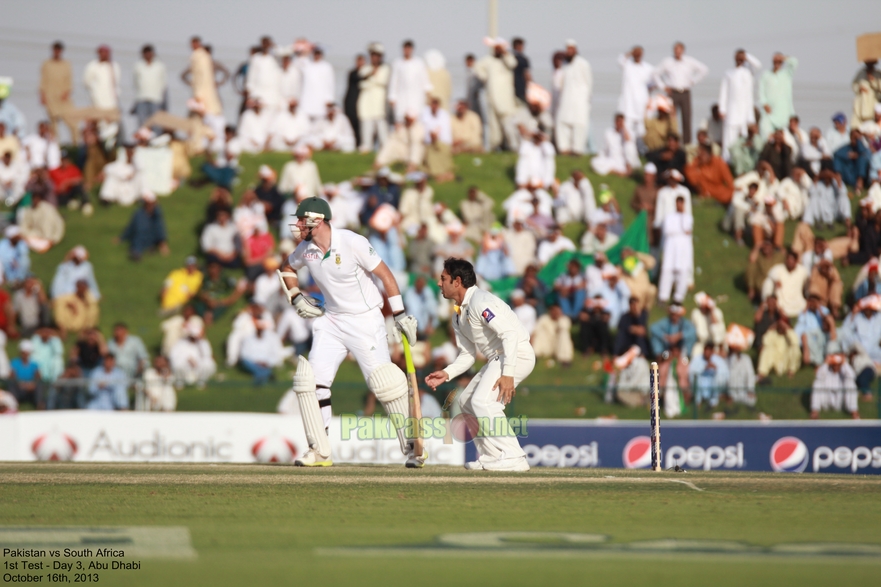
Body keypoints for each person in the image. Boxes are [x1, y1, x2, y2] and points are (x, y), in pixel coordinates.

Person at [277, 196, 422, 468]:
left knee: (385, 384)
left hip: (366, 320)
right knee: (312, 383)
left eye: (301, 219)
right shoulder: (305, 250)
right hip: (331, 320)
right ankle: (319, 449)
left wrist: (400, 314)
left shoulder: (352, 242)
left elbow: (386, 275)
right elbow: (287, 268)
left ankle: (413, 446)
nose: (297, 224)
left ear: (317, 220)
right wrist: (295, 296)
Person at [426, 258, 535, 471]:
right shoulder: (458, 316)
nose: (439, 283)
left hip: (516, 353)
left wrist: (508, 374)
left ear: (457, 281)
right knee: (466, 402)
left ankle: (515, 457)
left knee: (482, 402)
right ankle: (492, 456)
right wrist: (447, 374)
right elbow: (468, 355)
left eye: (443, 278)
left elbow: (510, 334)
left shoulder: (480, 301)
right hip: (498, 358)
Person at [655, 42, 708, 144]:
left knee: (686, 119)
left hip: (685, 92)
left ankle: (687, 144)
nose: (677, 52)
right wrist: (663, 86)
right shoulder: (667, 62)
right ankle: (670, 142)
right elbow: (655, 73)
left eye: (679, 50)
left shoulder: (689, 61)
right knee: (670, 119)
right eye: (676, 50)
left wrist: (693, 81)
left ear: (683, 51)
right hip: (672, 93)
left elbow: (704, 70)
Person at [474, 38, 518, 151]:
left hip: (505, 100)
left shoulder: (507, 59)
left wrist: (504, 52)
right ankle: (494, 147)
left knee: (508, 124)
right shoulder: (487, 60)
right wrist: (485, 78)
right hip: (492, 99)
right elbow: (477, 69)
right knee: (493, 127)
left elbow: (513, 64)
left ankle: (513, 146)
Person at [718, 49, 761, 159]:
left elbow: (758, 65)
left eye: (741, 57)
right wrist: (722, 109)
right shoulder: (729, 73)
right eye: (738, 57)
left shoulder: (748, 71)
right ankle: (727, 161)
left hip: (746, 113)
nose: (739, 59)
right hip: (732, 111)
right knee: (729, 140)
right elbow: (724, 92)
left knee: (745, 139)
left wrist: (746, 57)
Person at [555, 39, 592, 155]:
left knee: (579, 125)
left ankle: (577, 150)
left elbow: (589, 83)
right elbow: (558, 84)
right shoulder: (564, 65)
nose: (569, 51)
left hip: (580, 101)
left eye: (571, 49)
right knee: (562, 123)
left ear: (575, 50)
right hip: (566, 99)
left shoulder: (583, 63)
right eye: (567, 49)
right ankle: (564, 149)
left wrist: (587, 100)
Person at [83, 44, 121, 143]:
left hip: (111, 103)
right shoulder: (92, 66)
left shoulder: (114, 66)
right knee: (99, 126)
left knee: (112, 127)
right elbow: (87, 82)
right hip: (97, 102)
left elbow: (116, 84)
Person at [658, 195, 693, 304]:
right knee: (667, 270)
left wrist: (680, 227)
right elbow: (668, 230)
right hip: (671, 247)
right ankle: (663, 296)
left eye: (681, 203)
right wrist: (680, 232)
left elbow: (687, 229)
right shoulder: (669, 217)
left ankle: (679, 297)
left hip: (683, 248)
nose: (679, 205)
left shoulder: (688, 217)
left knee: (682, 272)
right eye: (678, 203)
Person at [388, 40, 432, 124]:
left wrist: (428, 95)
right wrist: (392, 97)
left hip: (416, 99)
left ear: (412, 49)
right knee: (401, 122)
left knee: (417, 123)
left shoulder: (419, 63)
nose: (407, 51)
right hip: (402, 99)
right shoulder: (397, 63)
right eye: (405, 48)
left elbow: (425, 81)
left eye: (409, 48)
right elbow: (393, 82)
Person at [358, 43, 391, 152]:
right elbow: (361, 83)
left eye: (377, 55)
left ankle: (385, 153)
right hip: (366, 107)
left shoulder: (385, 68)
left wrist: (370, 79)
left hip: (379, 107)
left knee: (383, 135)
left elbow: (382, 81)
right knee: (366, 135)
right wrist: (372, 76)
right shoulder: (365, 68)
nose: (375, 58)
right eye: (373, 55)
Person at [40, 41, 75, 142]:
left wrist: (67, 93)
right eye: (55, 49)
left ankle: (75, 146)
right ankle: (56, 147)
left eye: (59, 49)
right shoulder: (46, 64)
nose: (57, 52)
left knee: (73, 123)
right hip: (51, 98)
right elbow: (43, 81)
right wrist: (42, 95)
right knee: (53, 126)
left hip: (64, 99)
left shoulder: (66, 64)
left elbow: (69, 81)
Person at [117, 191, 168, 260]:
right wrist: (121, 238)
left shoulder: (157, 215)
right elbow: (131, 227)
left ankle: (145, 250)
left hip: (151, 238)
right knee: (138, 238)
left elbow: (160, 229)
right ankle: (136, 253)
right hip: (139, 237)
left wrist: (162, 244)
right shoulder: (138, 214)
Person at [617, 46, 654, 139]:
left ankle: (641, 151)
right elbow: (620, 60)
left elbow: (655, 81)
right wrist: (630, 52)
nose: (637, 54)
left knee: (642, 130)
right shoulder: (627, 65)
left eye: (639, 52)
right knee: (627, 129)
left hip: (641, 103)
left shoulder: (648, 68)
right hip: (628, 104)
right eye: (635, 52)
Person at [811, 349, 859, 419]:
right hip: (826, 399)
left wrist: (844, 362)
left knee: (851, 383)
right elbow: (818, 376)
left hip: (841, 401)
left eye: (837, 364)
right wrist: (826, 362)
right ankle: (814, 412)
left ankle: (854, 412)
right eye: (834, 364)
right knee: (817, 383)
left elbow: (852, 376)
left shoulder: (844, 371)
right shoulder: (826, 370)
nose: (835, 366)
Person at [758, 53, 798, 137]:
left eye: (779, 61)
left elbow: (794, 62)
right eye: (775, 61)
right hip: (769, 112)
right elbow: (761, 92)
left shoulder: (786, 74)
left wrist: (783, 57)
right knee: (766, 133)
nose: (777, 63)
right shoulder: (766, 74)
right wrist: (764, 104)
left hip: (784, 111)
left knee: (785, 136)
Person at [169, 320, 216, 388]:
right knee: (178, 364)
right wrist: (188, 359)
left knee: (208, 363)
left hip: (198, 367)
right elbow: (174, 355)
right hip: (185, 366)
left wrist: (196, 362)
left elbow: (207, 355)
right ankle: (179, 382)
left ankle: (201, 382)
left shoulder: (203, 342)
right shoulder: (181, 342)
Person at [757, 316, 801, 383]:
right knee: (767, 349)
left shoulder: (790, 334)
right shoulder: (774, 333)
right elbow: (765, 341)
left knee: (795, 348)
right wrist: (772, 328)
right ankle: (762, 374)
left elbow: (796, 341)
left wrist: (786, 328)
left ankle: (791, 373)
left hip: (786, 362)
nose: (781, 327)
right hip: (776, 361)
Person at [239, 320, 284, 384]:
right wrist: (257, 362)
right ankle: (267, 373)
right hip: (252, 363)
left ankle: (260, 377)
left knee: (265, 365)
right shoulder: (248, 339)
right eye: (259, 329)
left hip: (266, 363)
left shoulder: (271, 339)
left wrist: (267, 362)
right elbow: (244, 355)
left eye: (262, 329)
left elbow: (275, 354)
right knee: (245, 362)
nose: (260, 331)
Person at [133, 44, 167, 128]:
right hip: (142, 97)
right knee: (142, 121)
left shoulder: (159, 66)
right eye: (146, 53)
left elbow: (163, 83)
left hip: (156, 98)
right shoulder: (138, 66)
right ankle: (143, 139)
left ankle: (156, 139)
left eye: (149, 53)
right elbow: (135, 82)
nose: (148, 55)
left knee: (156, 122)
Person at [689, 345, 729, 409]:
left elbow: (725, 374)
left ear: (712, 352)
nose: (707, 353)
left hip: (713, 384)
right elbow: (691, 373)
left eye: (709, 351)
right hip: (701, 384)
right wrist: (703, 368)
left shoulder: (718, 360)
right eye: (706, 351)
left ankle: (714, 403)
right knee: (697, 382)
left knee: (716, 381)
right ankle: (698, 402)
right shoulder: (697, 359)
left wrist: (716, 369)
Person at [726, 325, 757, 407]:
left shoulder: (746, 359)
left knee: (752, 401)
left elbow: (750, 375)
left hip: (744, 393)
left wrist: (750, 390)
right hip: (730, 392)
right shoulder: (727, 359)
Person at [833, 129, 871, 193]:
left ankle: (859, 183)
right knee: (837, 159)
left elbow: (866, 155)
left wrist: (858, 141)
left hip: (860, 174)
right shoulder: (847, 147)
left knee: (862, 158)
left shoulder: (864, 148)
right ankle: (838, 181)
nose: (855, 139)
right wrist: (848, 156)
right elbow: (836, 154)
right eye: (853, 137)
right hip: (848, 173)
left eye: (856, 137)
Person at [10, 340, 43, 409]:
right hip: (19, 387)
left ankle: (39, 405)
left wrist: (32, 384)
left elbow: (38, 378)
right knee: (12, 385)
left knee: (39, 386)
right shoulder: (15, 363)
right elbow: (12, 377)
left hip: (31, 388)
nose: (24, 354)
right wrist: (21, 384)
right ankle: (13, 406)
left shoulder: (34, 364)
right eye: (23, 352)